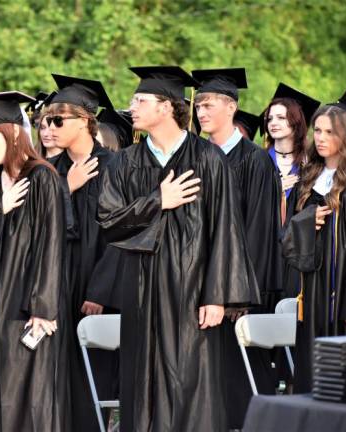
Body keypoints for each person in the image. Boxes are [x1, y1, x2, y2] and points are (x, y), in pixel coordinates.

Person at [98, 65, 259, 432]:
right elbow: (108, 221)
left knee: (192, 380)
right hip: (141, 289)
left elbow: (226, 228)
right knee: (142, 383)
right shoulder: (124, 162)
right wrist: (158, 200)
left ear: (168, 107)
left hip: (193, 292)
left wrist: (218, 295)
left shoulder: (208, 158)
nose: (131, 106)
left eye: (140, 100)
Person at [0, 91, 69, 431]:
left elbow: (52, 244)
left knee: (23, 394)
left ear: (13, 132)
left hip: (24, 306)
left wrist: (43, 306)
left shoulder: (43, 177)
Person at [193, 67, 282, 427]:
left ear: (231, 107)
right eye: (198, 105)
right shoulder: (194, 156)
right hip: (198, 287)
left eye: (209, 104)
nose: (201, 112)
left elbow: (260, 231)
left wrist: (238, 293)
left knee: (239, 376)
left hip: (237, 292)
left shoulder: (255, 161)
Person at [282, 89, 346, 393]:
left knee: (340, 378)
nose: (322, 137)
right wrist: (305, 223)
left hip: (344, 294)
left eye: (330, 132)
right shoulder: (308, 178)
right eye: (318, 130)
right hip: (312, 291)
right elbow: (285, 235)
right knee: (311, 370)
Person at [46, 74, 119, 431]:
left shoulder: (117, 167)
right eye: (47, 120)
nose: (50, 127)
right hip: (58, 288)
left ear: (86, 121)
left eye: (59, 120)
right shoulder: (50, 173)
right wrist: (65, 188)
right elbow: (36, 231)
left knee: (96, 380)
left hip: (97, 289)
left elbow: (123, 234)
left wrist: (100, 290)